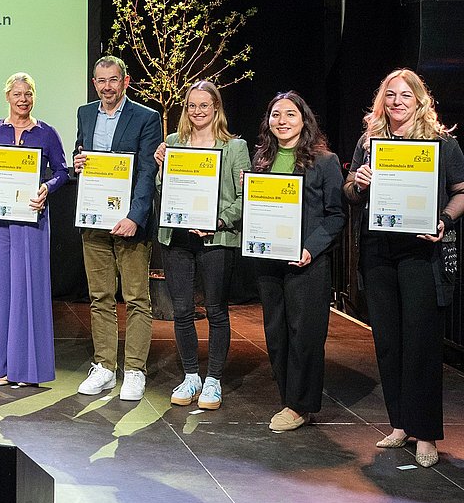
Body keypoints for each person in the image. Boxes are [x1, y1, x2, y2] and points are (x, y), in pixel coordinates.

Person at [344, 69, 464, 466]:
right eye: (390, 95)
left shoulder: (442, 144)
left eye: (405, 96)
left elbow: (461, 193)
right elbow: (349, 192)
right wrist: (359, 182)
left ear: (419, 100)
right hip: (378, 251)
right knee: (389, 342)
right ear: (382, 102)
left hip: (420, 252)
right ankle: (400, 424)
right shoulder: (369, 142)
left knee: (421, 345)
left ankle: (426, 433)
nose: (397, 102)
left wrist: (443, 220)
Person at [250, 91, 345, 432]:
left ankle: (299, 405)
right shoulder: (261, 159)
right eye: (276, 115)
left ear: (304, 120)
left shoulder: (325, 161)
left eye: (290, 114)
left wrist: (311, 247)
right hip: (269, 261)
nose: (283, 121)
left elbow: (336, 216)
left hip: (308, 262)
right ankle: (288, 398)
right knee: (276, 334)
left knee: (304, 335)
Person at [153, 81, 250, 410]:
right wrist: (162, 169)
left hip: (215, 238)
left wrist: (219, 220)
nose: (197, 111)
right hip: (176, 238)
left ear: (216, 108)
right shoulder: (172, 143)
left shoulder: (234, 147)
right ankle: (192, 375)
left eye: (204, 105)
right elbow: (161, 188)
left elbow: (244, 197)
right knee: (181, 311)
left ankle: (214, 381)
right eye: (191, 105)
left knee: (215, 311)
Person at [73, 56, 162, 401]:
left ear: (125, 82)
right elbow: (83, 156)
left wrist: (135, 217)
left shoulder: (146, 117)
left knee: (137, 298)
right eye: (100, 81)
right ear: (94, 83)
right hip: (94, 221)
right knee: (100, 297)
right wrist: (78, 161)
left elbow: (145, 172)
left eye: (113, 80)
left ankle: (135, 370)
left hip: (129, 222)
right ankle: (105, 367)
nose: (106, 87)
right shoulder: (85, 113)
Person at [0, 72, 69, 386]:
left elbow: (62, 172)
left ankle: (25, 368)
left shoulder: (47, 133)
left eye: (28, 94)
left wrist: (46, 188)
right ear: (7, 97)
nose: (23, 99)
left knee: (27, 290)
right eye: (17, 94)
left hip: (31, 218)